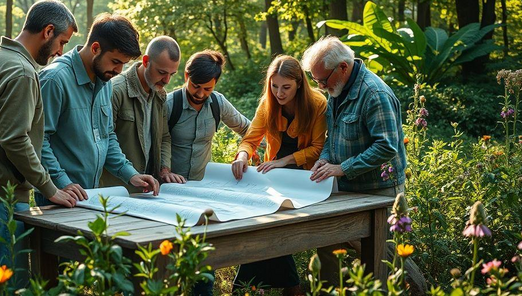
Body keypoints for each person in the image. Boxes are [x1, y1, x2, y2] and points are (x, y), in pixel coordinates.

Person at [0, 0, 79, 287]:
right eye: (62, 41)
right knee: (11, 283)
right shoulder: (21, 71)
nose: (61, 51)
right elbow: (15, 139)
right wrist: (50, 188)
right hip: (3, 197)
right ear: (47, 31)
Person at [301, 36, 407, 285]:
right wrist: (325, 159)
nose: (320, 86)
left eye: (322, 80)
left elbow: (387, 146)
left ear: (343, 68)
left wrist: (342, 168)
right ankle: (329, 290)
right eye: (315, 80)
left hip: (378, 191)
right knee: (327, 245)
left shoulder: (374, 93)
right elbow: (333, 133)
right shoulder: (337, 87)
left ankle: (408, 290)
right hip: (344, 188)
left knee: (384, 259)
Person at [35, 13, 160, 207]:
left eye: (123, 64)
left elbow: (107, 136)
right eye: (115, 61)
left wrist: (132, 175)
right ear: (95, 48)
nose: (119, 71)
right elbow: (38, 140)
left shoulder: (105, 81)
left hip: (91, 196)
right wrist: (62, 183)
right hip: (57, 197)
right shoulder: (54, 80)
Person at [230, 55, 327, 295]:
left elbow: (317, 148)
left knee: (273, 225)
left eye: (286, 87)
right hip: (275, 177)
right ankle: (289, 288)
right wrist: (242, 155)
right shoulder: (268, 102)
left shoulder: (317, 103)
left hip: (306, 178)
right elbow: (251, 138)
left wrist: (284, 161)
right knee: (264, 222)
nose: (279, 93)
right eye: (274, 86)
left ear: (299, 84)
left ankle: (247, 286)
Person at [100, 36, 182, 191]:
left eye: (172, 74)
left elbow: (164, 137)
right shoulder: (115, 90)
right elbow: (105, 142)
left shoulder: (160, 95)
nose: (167, 80)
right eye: (162, 72)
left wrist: (164, 169)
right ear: (145, 61)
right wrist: (130, 174)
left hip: (147, 193)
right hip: (117, 191)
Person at [165, 50, 250, 183]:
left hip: (202, 184)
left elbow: (247, 129)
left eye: (207, 89)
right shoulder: (169, 105)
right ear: (187, 76)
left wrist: (245, 154)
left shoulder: (218, 103)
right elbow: (153, 143)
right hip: (170, 184)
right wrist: (164, 171)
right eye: (196, 86)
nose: (200, 94)